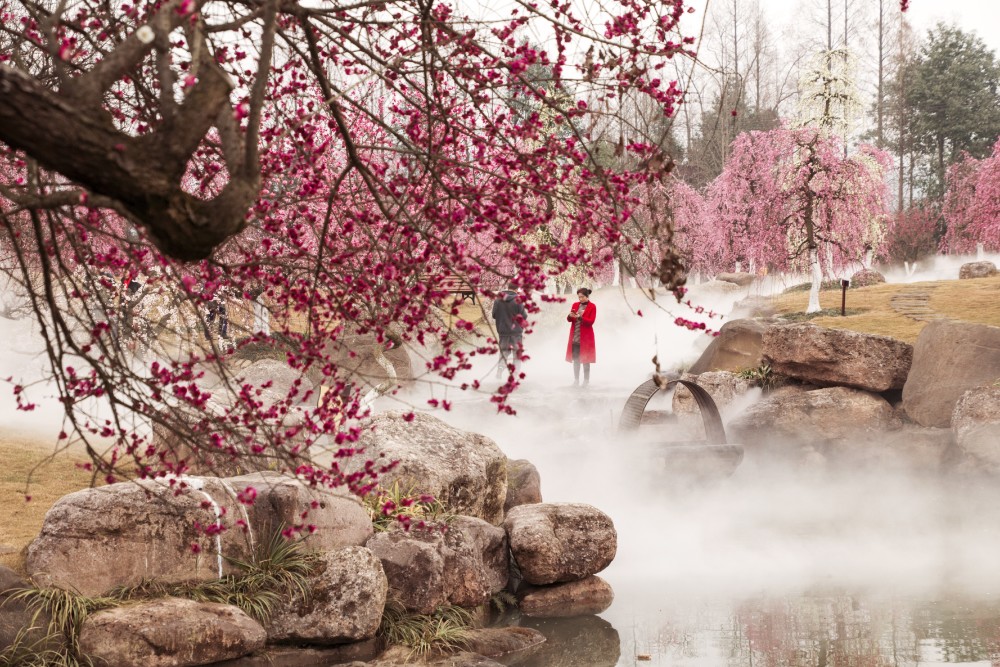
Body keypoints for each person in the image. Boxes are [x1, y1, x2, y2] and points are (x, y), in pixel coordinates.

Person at [491, 284, 528, 378]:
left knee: (504, 353)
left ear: (508, 288)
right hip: (516, 332)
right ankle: (515, 375)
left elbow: (494, 315)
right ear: (516, 289)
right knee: (517, 354)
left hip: (503, 332)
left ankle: (500, 370)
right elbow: (524, 316)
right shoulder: (518, 300)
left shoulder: (498, 300)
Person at [565, 287, 596, 387]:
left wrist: (580, 317)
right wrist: (570, 316)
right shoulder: (575, 305)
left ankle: (586, 381)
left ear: (587, 296)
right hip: (575, 337)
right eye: (579, 297)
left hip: (586, 338)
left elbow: (591, 322)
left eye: (582, 297)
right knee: (576, 360)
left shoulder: (592, 306)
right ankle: (576, 380)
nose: (580, 299)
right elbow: (569, 320)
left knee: (586, 360)